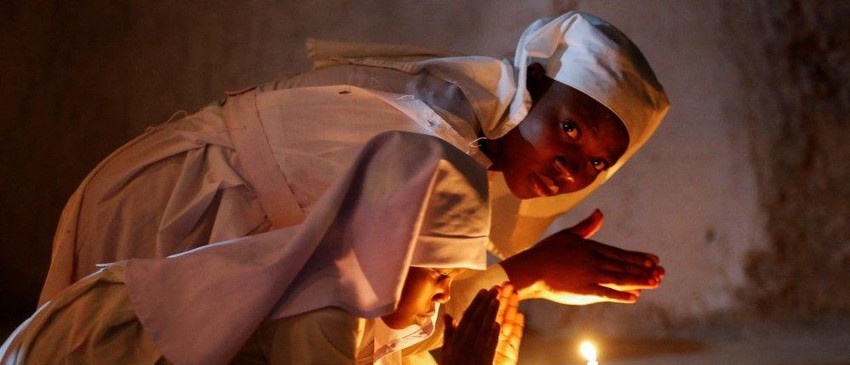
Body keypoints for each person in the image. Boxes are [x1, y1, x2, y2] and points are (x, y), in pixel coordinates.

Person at [0, 133, 524, 365]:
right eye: (439, 274)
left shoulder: (341, 280)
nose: (444, 294)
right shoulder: (322, 307)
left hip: (53, 348)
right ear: (394, 254)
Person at [38, 10, 669, 322]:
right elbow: (393, 313)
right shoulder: (442, 133)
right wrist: (527, 273)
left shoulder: (475, 136)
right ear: (533, 90)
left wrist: (523, 276)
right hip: (174, 206)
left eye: (597, 162)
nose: (572, 169)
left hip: (212, 216)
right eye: (568, 129)